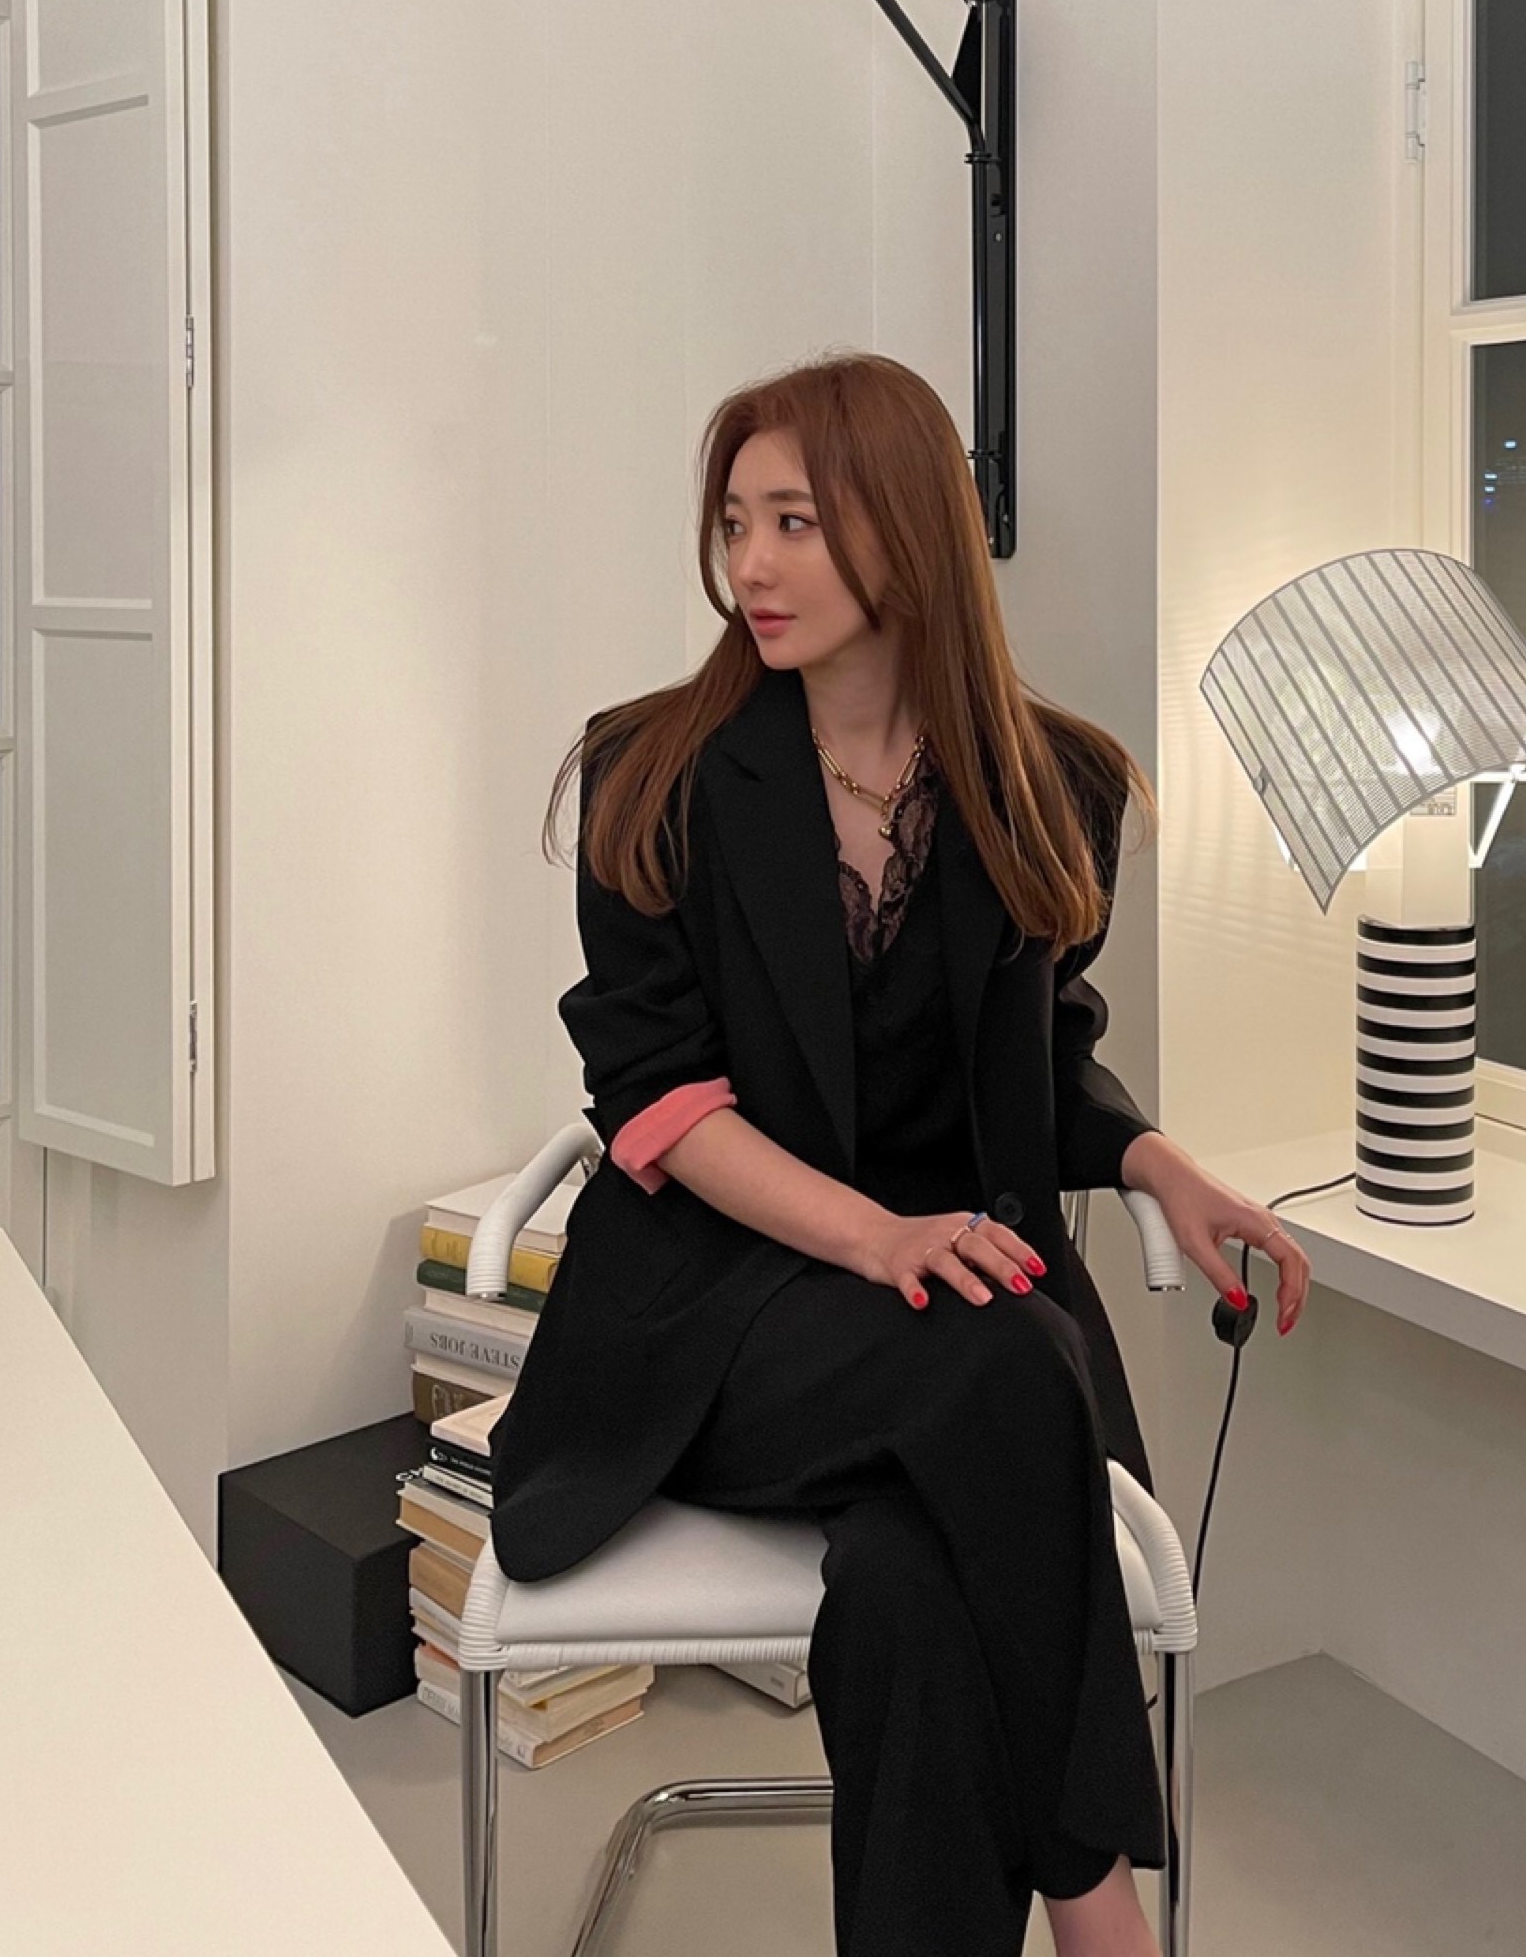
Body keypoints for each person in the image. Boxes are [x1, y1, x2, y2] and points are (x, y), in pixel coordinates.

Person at [487, 351, 1312, 1957]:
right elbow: (654, 1099)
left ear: (910, 529)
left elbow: (1036, 1056)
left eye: (795, 521)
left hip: (948, 1329)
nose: (752, 563)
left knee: (912, 1589)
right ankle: (1100, 1909)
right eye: (737, 522)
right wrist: (874, 1237)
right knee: (1008, 1355)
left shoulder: (1051, 784)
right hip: (723, 1325)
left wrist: (1153, 1161)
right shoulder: (651, 775)